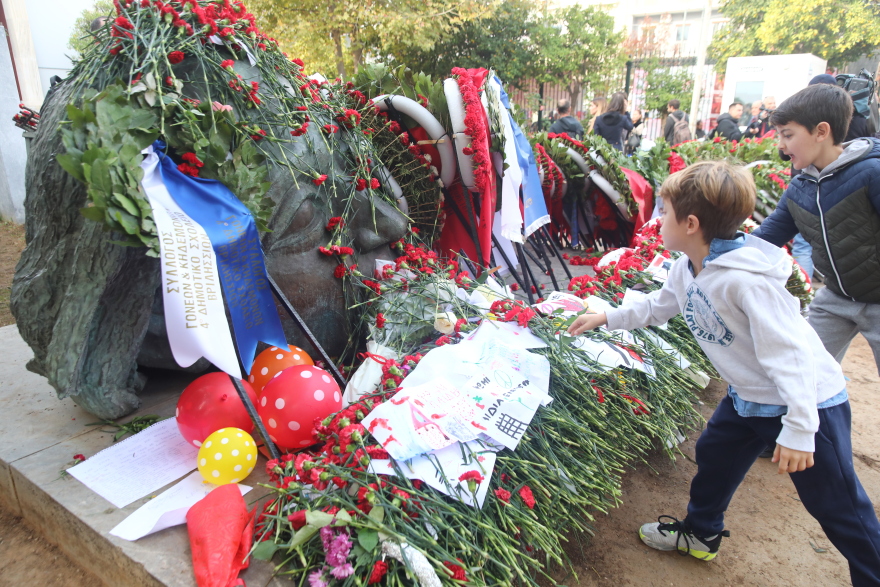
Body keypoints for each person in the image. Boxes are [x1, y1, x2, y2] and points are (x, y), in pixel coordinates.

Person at [567, 160, 880, 585]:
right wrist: (607, 316)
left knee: (838, 507)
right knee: (716, 454)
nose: (657, 220)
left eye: (664, 211)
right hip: (749, 394)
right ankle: (701, 534)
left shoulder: (746, 283)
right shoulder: (688, 266)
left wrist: (801, 428)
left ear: (691, 223)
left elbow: (791, 356)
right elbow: (659, 307)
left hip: (805, 400)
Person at [752, 83, 880, 378]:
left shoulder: (870, 173)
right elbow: (767, 236)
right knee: (799, 373)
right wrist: (711, 246)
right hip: (836, 300)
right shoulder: (800, 188)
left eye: (788, 135)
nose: (780, 146)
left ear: (821, 132)